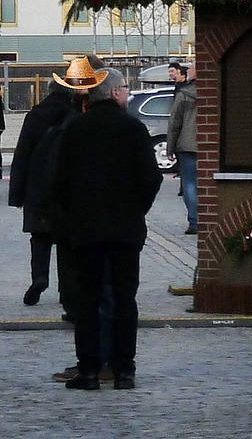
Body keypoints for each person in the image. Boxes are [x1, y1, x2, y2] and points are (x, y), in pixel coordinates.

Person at [52, 67, 162, 390]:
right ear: (114, 93)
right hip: (126, 230)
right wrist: (136, 208)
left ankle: (88, 371)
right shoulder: (134, 129)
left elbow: (59, 181)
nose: (128, 93)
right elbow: (151, 179)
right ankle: (124, 370)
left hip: (86, 230)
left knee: (87, 298)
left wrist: (75, 215)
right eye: (126, 88)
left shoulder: (75, 129)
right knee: (125, 298)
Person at [8, 58, 96, 310]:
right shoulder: (76, 116)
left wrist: (17, 194)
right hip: (67, 187)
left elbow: (22, 154)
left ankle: (40, 277)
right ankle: (65, 289)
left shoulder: (36, 115)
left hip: (38, 186)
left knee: (40, 236)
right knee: (67, 240)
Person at [167, 60, 199, 235]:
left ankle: (194, 221)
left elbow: (174, 123)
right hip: (209, 147)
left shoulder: (183, 94)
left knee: (190, 183)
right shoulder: (214, 93)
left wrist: (170, 148)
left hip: (186, 145)